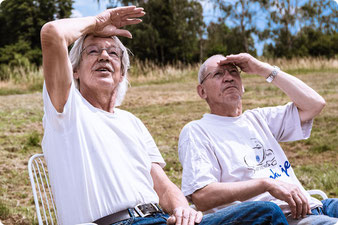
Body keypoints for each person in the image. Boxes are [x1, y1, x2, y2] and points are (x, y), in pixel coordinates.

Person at [40, 6, 288, 225]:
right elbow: (52, 33)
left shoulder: (131, 122)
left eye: (113, 53)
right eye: (92, 51)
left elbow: (162, 185)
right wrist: (97, 21)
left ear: (122, 74)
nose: (104, 56)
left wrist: (182, 209)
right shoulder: (66, 110)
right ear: (74, 71)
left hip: (160, 219)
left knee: (265, 212)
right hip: (113, 222)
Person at [178, 53, 338, 225]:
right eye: (218, 74)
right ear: (202, 91)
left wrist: (263, 69)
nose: (229, 78)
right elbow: (202, 196)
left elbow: (315, 104)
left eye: (234, 72)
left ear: (242, 85)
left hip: (316, 205)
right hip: (281, 217)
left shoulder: (259, 118)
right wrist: (266, 184)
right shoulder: (196, 131)